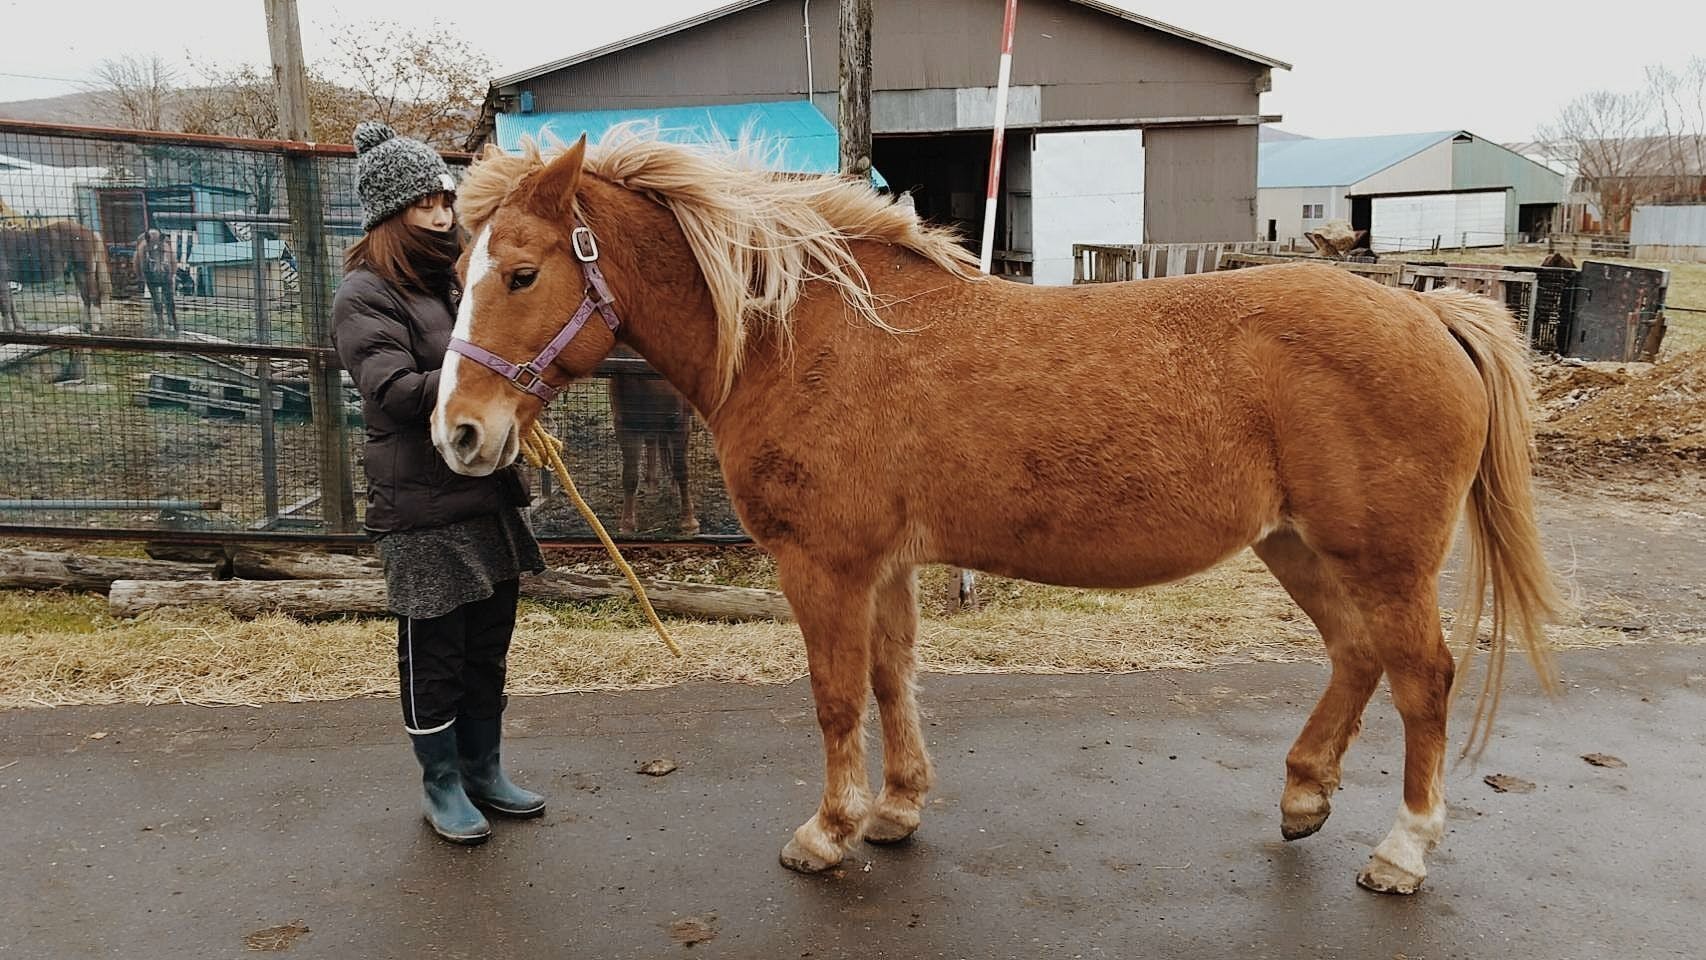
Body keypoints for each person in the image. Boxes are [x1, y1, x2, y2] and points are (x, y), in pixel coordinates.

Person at [331, 121, 547, 846]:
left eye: (442, 192)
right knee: (435, 653)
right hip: (421, 506)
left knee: (488, 644)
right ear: (390, 211)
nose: (441, 207)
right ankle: (442, 781)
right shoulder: (365, 295)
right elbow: (389, 389)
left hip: (484, 493)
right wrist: (482, 381)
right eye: (423, 198)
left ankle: (485, 768)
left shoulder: (461, 281)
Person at [133, 227, 177, 333]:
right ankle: (160, 322)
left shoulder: (164, 247)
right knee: (156, 299)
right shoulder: (144, 249)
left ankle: (173, 321)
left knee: (169, 297)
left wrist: (171, 271)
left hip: (165, 274)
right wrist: (141, 275)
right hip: (150, 275)